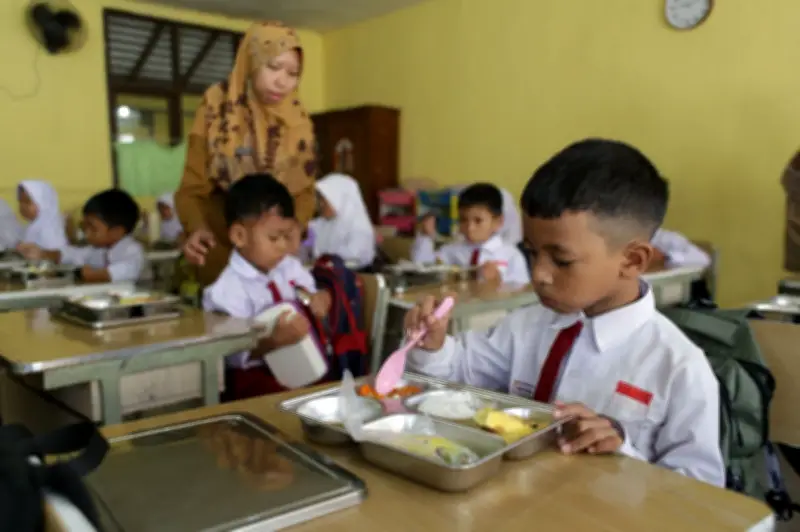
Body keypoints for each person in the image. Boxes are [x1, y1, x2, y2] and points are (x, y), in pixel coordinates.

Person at [404, 139, 724, 486]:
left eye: (561, 260)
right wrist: (433, 346)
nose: (539, 274)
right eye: (531, 253)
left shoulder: (679, 368)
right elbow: (457, 373)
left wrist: (625, 453)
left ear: (632, 260)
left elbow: (701, 491)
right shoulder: (525, 326)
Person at [176, 21, 318, 286]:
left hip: (275, 256)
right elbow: (191, 189)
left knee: (279, 309)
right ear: (252, 61)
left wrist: (295, 228)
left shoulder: (297, 120)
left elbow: (304, 191)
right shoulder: (217, 107)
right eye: (273, 67)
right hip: (222, 250)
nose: (282, 81)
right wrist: (196, 228)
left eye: (293, 73)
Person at [203, 173, 327, 400]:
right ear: (239, 236)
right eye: (273, 238)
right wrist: (272, 342)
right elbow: (231, 356)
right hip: (255, 382)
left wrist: (320, 299)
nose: (282, 246)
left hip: (303, 365)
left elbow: (312, 292)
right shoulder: (225, 292)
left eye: (287, 236)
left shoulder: (289, 266)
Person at [411, 183, 530, 285]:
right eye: (463, 220)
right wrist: (425, 236)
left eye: (478, 221)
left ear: (498, 222)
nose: (469, 228)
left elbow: (522, 292)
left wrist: (498, 281)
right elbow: (424, 266)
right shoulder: (453, 250)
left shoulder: (511, 255)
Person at [18, 189, 144, 283]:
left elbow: (112, 273)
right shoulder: (98, 250)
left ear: (116, 232)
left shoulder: (132, 251)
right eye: (84, 227)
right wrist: (44, 254)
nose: (86, 233)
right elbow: (73, 255)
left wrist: (87, 273)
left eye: (93, 228)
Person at [311, 173, 376, 269]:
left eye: (324, 200)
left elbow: (354, 258)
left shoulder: (360, 229)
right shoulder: (320, 224)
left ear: (340, 199)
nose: (320, 204)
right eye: (319, 199)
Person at [16, 180, 68, 251]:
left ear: (44, 203)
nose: (22, 206)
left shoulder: (50, 230)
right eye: (20, 201)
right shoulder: (31, 226)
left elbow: (55, 253)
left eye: (27, 202)